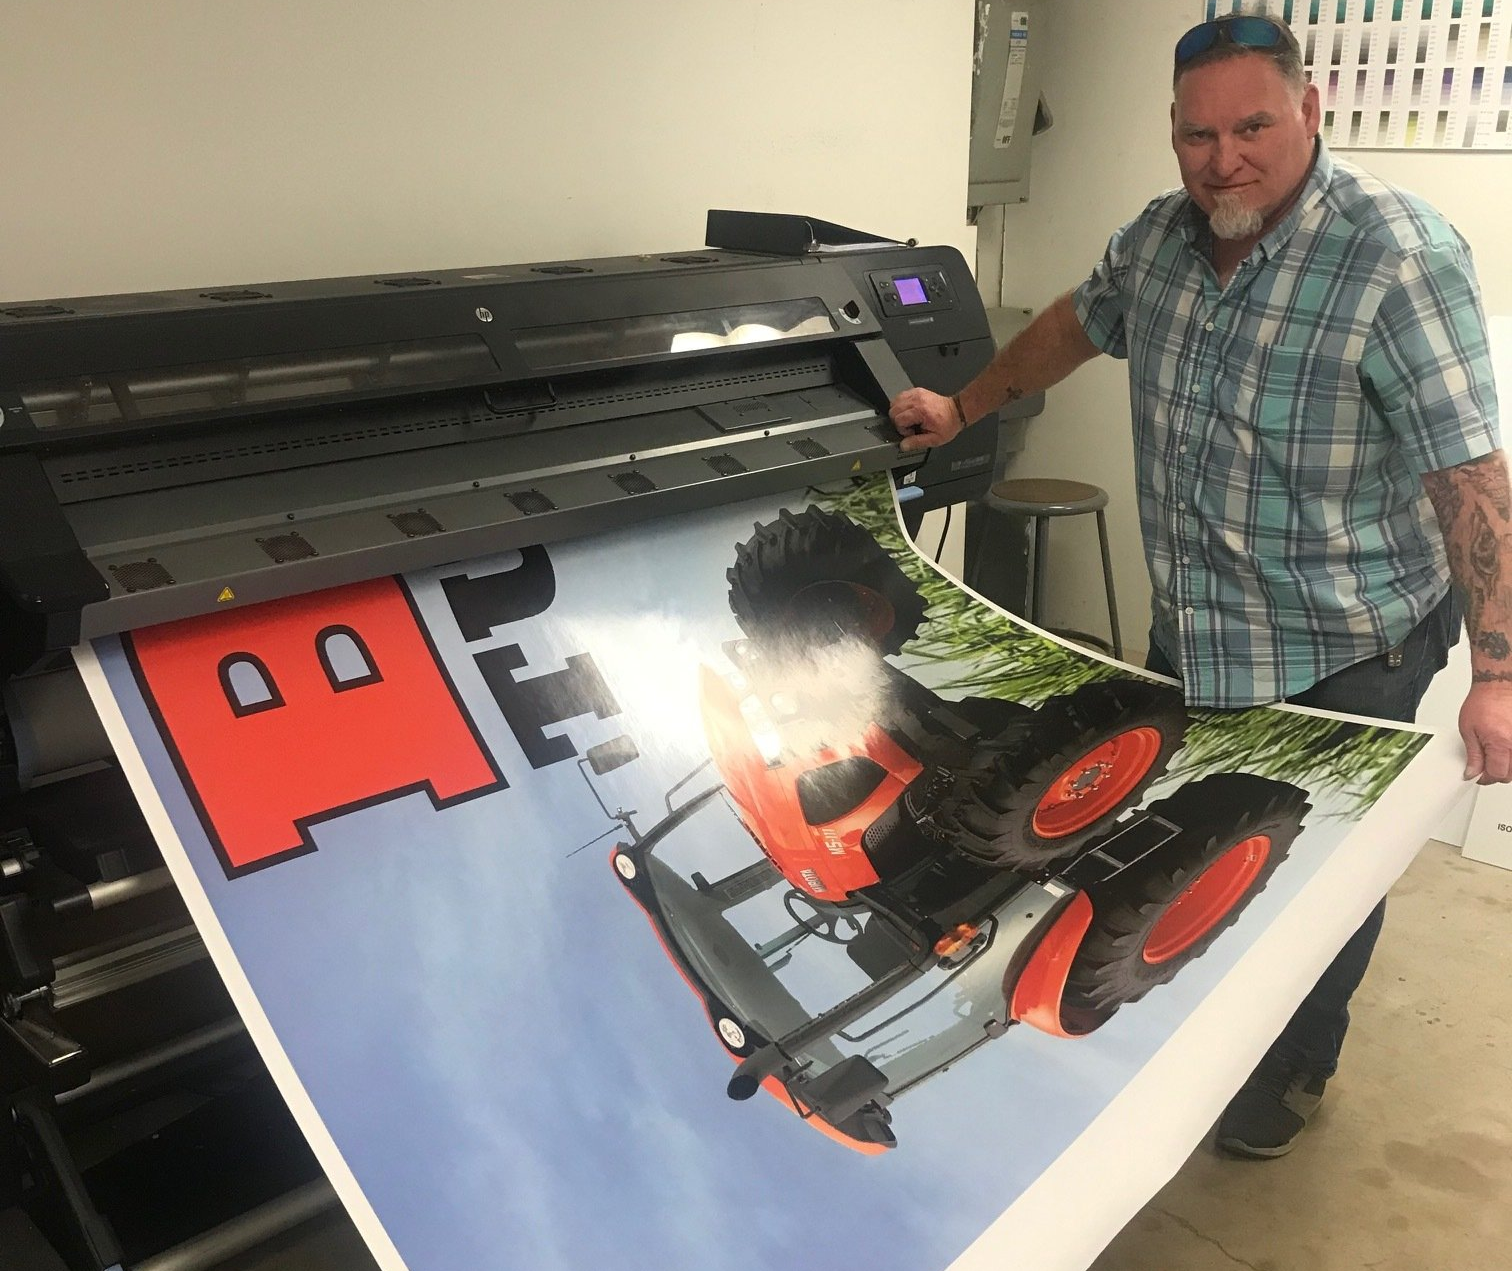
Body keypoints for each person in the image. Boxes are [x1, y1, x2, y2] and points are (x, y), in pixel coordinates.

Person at [889, 10, 1510, 1158]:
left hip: (1350, 643)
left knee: (1318, 878)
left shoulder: (1398, 256)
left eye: (1253, 126)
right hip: (1203, 631)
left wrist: (1499, 672)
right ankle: (1192, 1030)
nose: (1224, 157)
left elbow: (1471, 477)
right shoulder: (1162, 238)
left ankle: (1297, 1063)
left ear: (1310, 110)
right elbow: (1081, 319)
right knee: (1205, 837)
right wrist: (964, 407)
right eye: (1197, 133)